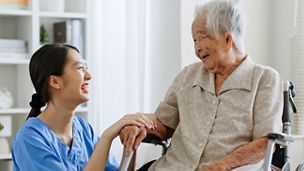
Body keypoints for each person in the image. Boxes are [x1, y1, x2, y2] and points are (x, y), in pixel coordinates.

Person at [119, 0, 283, 170]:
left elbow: (265, 143)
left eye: (202, 37)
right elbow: (164, 123)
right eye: (194, 40)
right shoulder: (188, 76)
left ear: (227, 39)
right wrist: (139, 124)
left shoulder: (264, 79)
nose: (197, 49)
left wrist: (219, 166)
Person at [11, 44, 155, 171]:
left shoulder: (83, 129)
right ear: (55, 81)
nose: (89, 75)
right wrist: (108, 136)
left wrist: (131, 143)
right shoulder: (29, 140)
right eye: (80, 68)